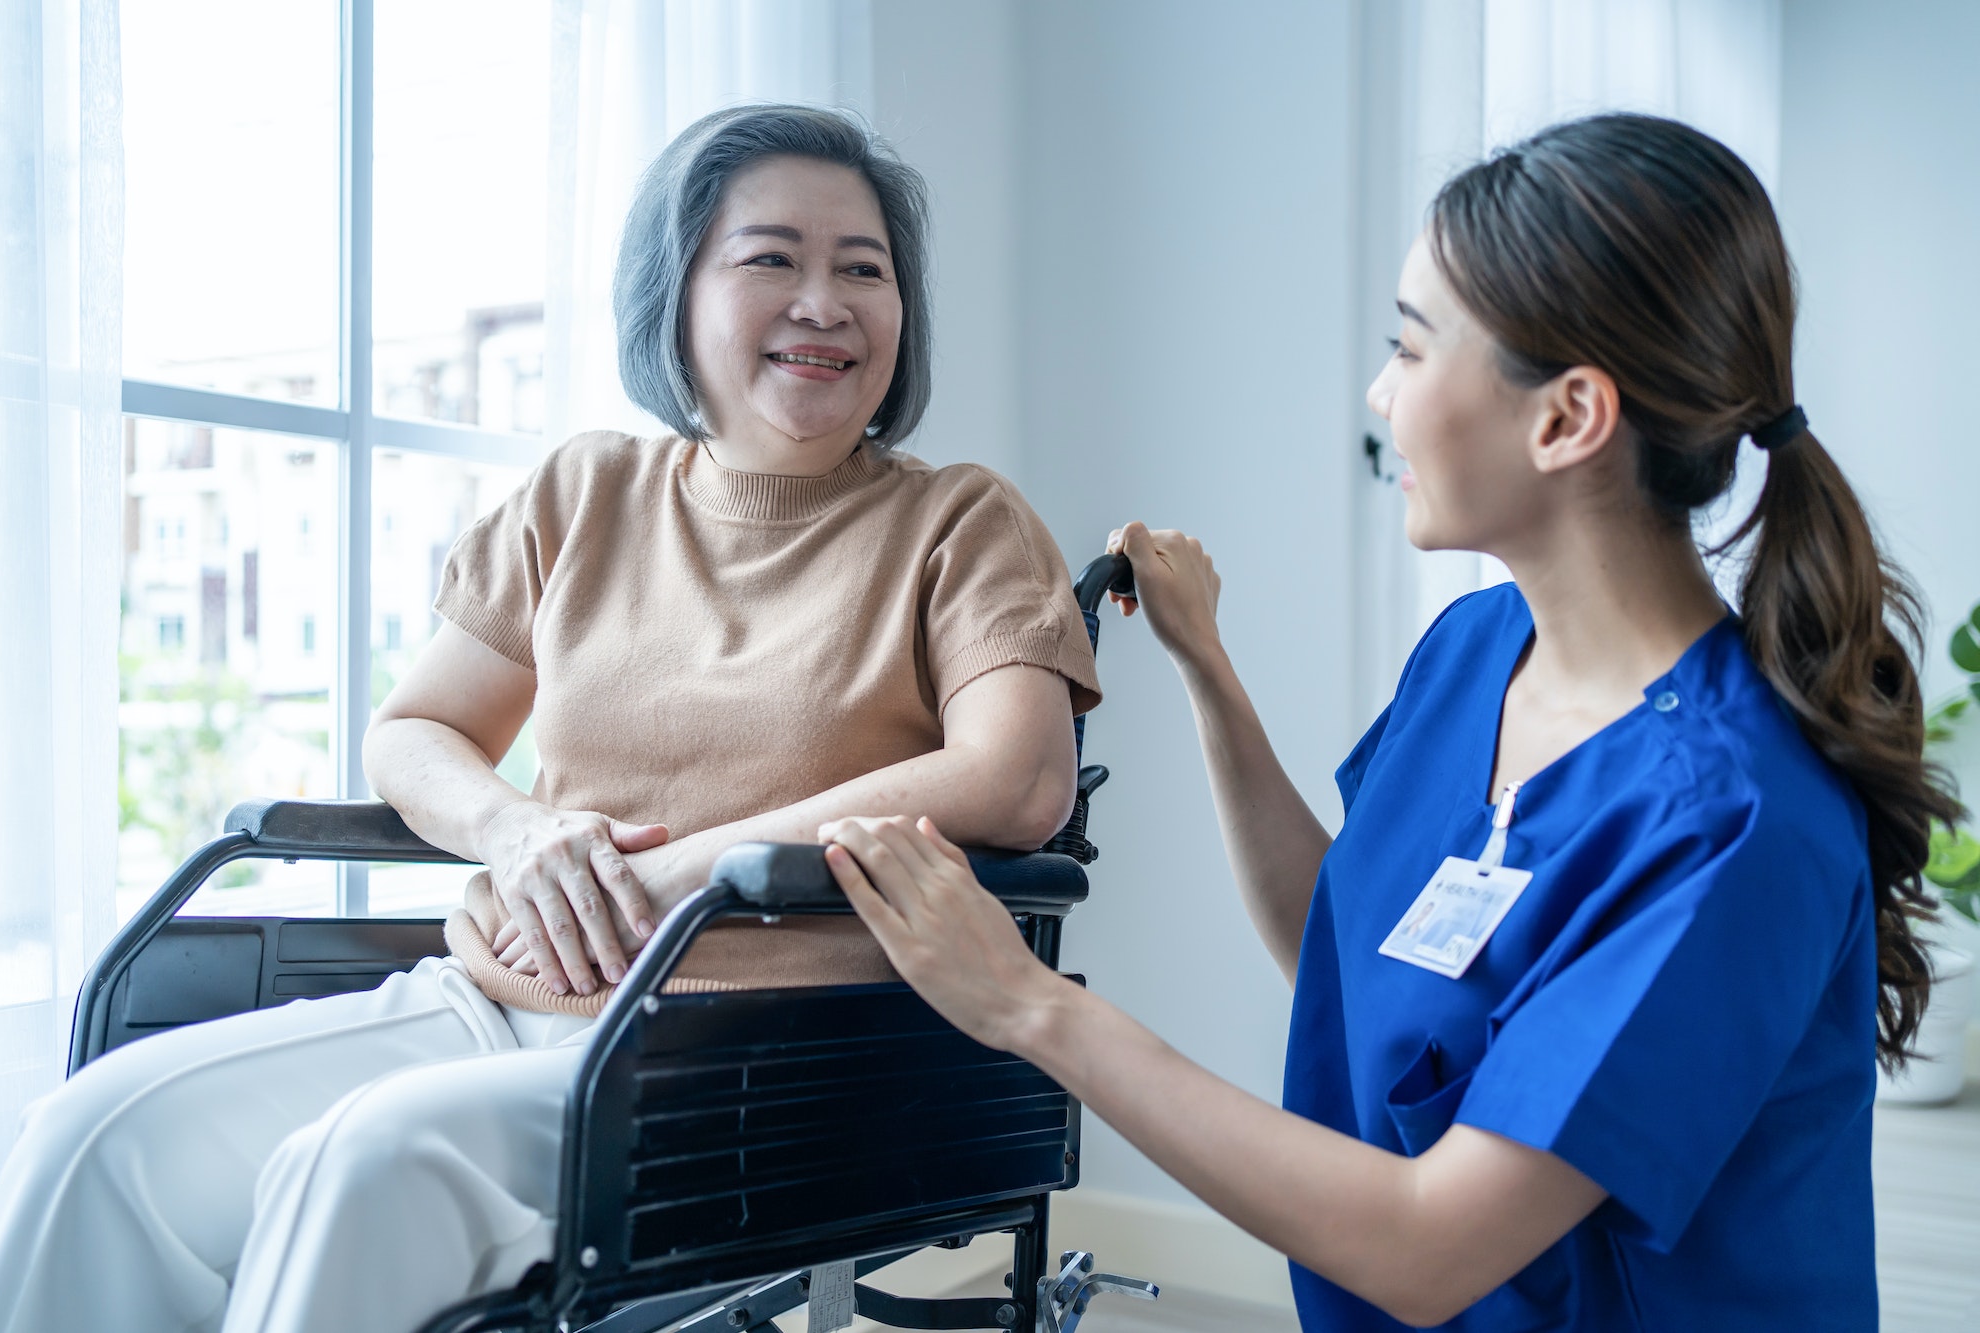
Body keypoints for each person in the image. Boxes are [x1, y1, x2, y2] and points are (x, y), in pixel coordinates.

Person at [822, 113, 1959, 1330]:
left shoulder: (1733, 821)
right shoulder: (1476, 652)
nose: (1379, 394)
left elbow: (1430, 1245)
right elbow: (1343, 950)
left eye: (1409, 350)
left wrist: (1032, 1009)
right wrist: (1208, 672)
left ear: (1567, 418)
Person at [0, 104, 1099, 1333]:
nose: (822, 301)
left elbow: (1015, 776)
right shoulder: (586, 493)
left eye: (863, 269)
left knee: (365, 1161)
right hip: (488, 1001)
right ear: (673, 295)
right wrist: (514, 832)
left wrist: (684, 869)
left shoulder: (960, 521)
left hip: (761, 1047)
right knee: (92, 1138)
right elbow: (414, 731)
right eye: (770, 257)